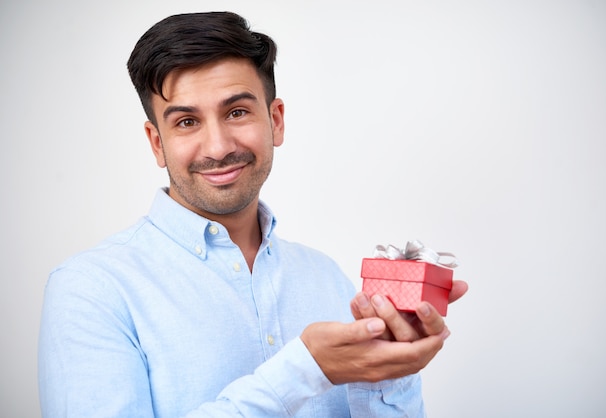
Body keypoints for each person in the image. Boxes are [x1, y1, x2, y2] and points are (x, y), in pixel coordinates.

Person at [38, 11, 468, 417]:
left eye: (237, 112)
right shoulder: (91, 291)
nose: (219, 146)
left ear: (275, 120)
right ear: (156, 143)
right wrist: (305, 370)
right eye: (187, 122)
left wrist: (390, 372)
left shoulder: (327, 278)